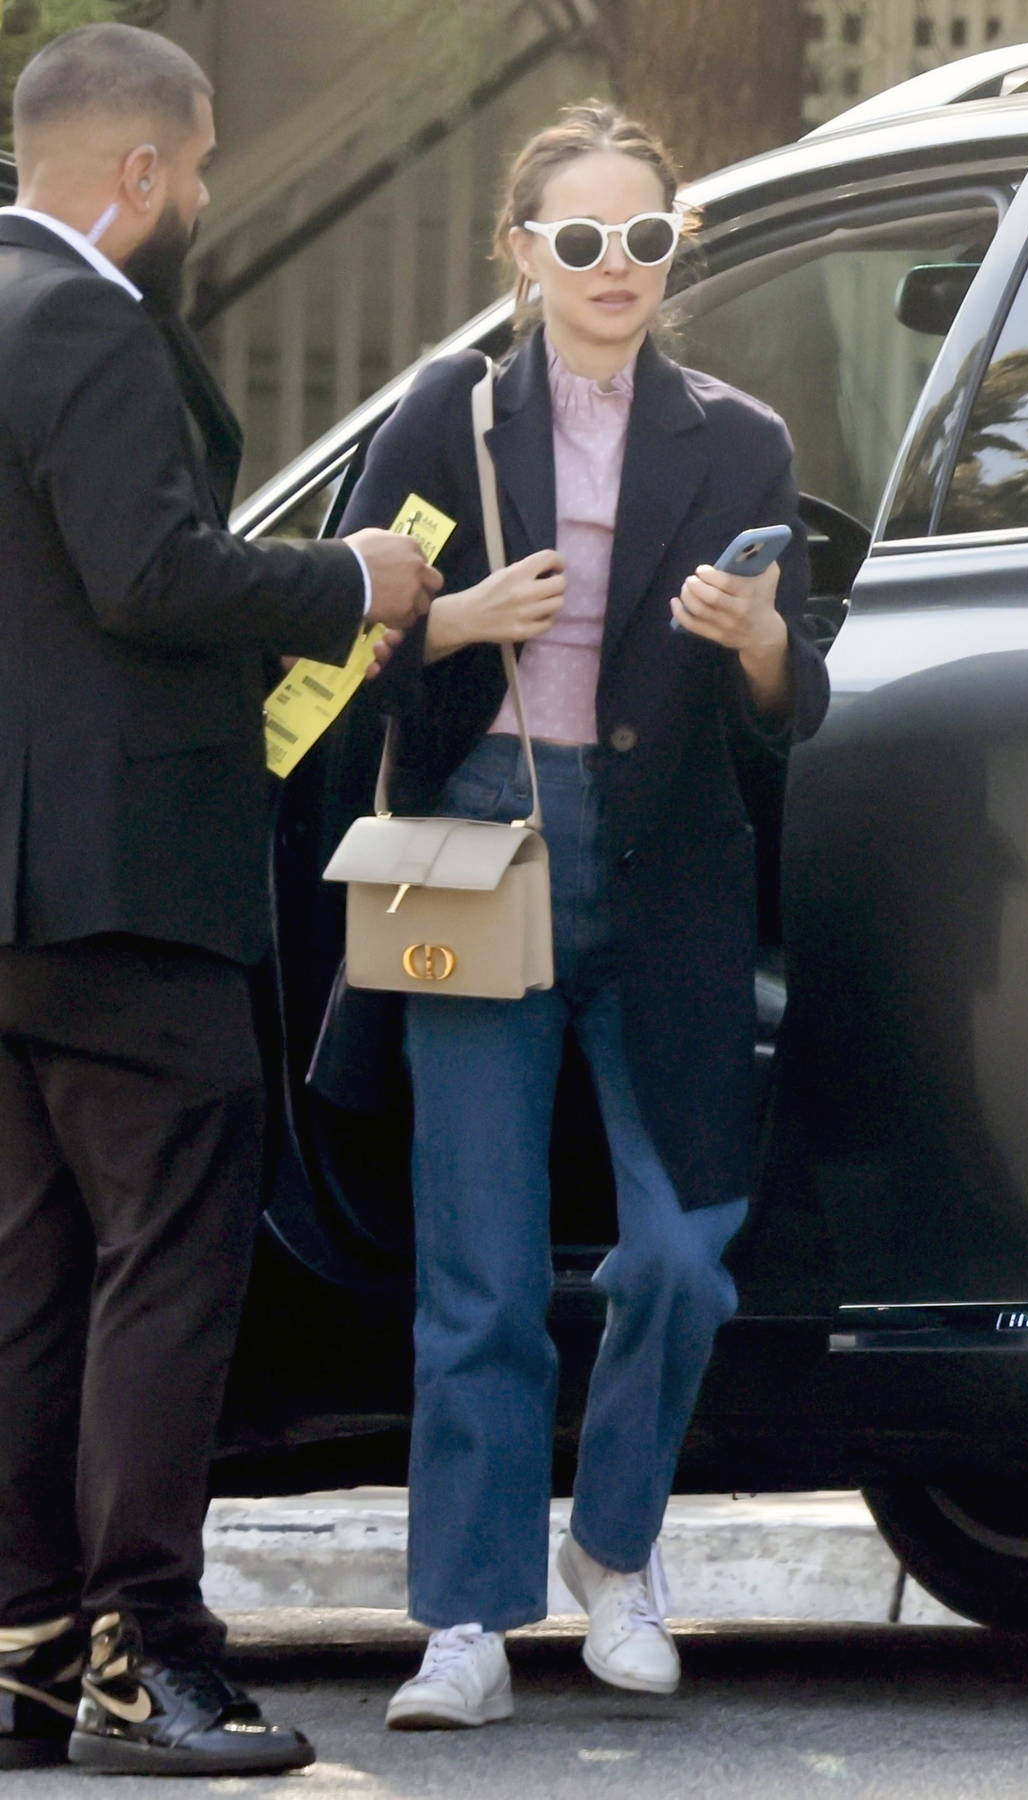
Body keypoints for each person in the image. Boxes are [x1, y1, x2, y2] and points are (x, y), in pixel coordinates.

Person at [317, 101, 830, 1729]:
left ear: (680, 252)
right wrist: (459, 615)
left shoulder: (740, 441)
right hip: (479, 845)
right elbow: (343, 659)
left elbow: (787, 708)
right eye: (584, 240)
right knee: (477, 1264)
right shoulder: (440, 419)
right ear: (522, 254)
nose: (619, 269)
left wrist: (752, 635)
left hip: (666, 871)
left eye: (649, 239)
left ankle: (615, 1551)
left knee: (682, 1255)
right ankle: (465, 1619)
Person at [0, 22, 441, 1778]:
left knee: (32, 1278)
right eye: (191, 174)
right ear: (139, 174)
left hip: (14, 906)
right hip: (132, 891)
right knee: (171, 1270)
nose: (196, 202)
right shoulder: (91, 324)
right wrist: (356, 573)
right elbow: (153, 573)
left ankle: (26, 1647)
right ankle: (148, 1655)